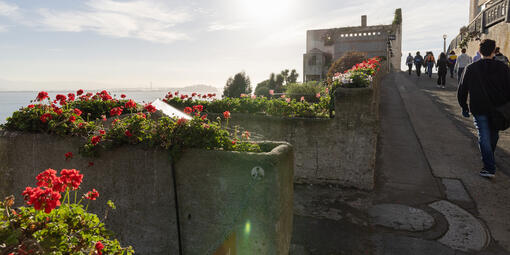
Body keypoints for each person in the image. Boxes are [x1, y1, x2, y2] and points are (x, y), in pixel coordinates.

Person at [457, 39, 510, 178]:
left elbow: (462, 90)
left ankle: (489, 166)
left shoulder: (471, 68)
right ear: (494, 51)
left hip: (479, 107)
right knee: (493, 135)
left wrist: (464, 106)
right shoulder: (504, 68)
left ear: (479, 51)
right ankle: (489, 161)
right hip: (499, 108)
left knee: (484, 136)